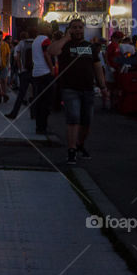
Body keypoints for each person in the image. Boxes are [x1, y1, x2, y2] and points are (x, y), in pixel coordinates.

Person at [48, 19, 107, 165]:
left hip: (88, 89)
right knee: (73, 118)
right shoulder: (64, 45)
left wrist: (103, 87)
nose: (78, 30)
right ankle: (72, 149)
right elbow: (52, 51)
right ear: (70, 29)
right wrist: (66, 38)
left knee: (87, 121)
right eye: (74, 27)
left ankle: (80, 145)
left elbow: (97, 67)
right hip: (70, 88)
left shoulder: (90, 47)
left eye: (80, 27)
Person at [30, 23, 55, 135]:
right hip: (45, 73)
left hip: (36, 73)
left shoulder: (35, 40)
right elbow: (47, 55)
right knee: (46, 102)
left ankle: (38, 126)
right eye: (48, 26)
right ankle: (43, 127)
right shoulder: (45, 40)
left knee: (39, 101)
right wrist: (52, 68)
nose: (50, 28)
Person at [7, 27, 36, 119]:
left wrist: (20, 69)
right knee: (34, 93)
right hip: (35, 72)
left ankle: (14, 113)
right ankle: (34, 114)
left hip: (24, 71)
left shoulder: (22, 44)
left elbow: (16, 57)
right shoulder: (36, 43)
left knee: (21, 94)